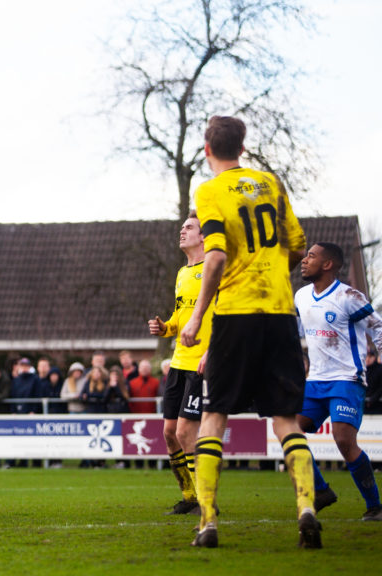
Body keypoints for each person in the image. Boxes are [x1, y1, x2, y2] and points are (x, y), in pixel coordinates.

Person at [180, 116, 317, 548]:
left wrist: (198, 316)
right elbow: (297, 245)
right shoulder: (270, 183)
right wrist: (274, 273)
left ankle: (207, 522)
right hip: (279, 312)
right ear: (242, 145)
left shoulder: (209, 191)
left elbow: (216, 256)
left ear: (207, 148)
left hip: (236, 313)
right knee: (285, 419)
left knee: (213, 416)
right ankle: (307, 508)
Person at [294, 242, 382, 521]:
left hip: (346, 379)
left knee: (344, 441)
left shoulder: (349, 296)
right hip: (315, 380)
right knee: (290, 432)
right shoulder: (301, 296)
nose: (304, 260)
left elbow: (377, 326)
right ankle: (321, 491)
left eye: (311, 256)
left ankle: (375, 506)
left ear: (328, 264)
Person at [147, 210, 212, 515]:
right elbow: (180, 316)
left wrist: (213, 352)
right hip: (178, 361)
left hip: (201, 362)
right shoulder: (182, 273)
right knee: (169, 433)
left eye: (189, 227)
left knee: (187, 432)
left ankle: (205, 500)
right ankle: (189, 496)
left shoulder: (213, 269)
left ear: (203, 235)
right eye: (182, 227)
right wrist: (166, 327)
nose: (182, 231)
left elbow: (223, 316)